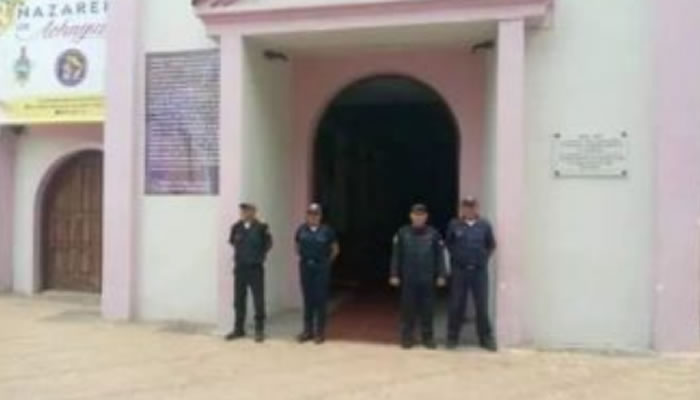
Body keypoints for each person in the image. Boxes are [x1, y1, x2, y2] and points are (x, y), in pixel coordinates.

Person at [389, 204, 447, 349]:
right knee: (408, 309)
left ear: (426, 217)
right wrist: (394, 274)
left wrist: (441, 274)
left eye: (421, 215)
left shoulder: (434, 234)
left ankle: (428, 338)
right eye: (416, 215)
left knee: (428, 309)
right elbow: (396, 255)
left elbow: (440, 256)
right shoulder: (402, 233)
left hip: (427, 277)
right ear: (411, 216)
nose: (418, 217)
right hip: (409, 277)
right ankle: (407, 338)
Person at [445, 197, 497, 351]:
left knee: (481, 306)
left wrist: (483, 258)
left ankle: (486, 339)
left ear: (476, 208)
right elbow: (448, 244)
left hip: (479, 272)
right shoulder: (454, 225)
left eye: (472, 206)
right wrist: (457, 257)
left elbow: (491, 245)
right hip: (460, 272)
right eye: (466, 207)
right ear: (462, 208)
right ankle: (452, 338)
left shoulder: (484, 225)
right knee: (456, 305)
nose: (469, 209)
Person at [225, 203, 273, 343]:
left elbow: (268, 244)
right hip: (240, 268)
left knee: (258, 300)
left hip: (255, 268)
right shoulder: (236, 227)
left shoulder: (261, 227)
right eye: (242, 210)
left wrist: (259, 256)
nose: (244, 213)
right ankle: (238, 329)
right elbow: (233, 242)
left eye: (247, 210)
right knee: (238, 300)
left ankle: (259, 330)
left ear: (253, 212)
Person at [295, 203, 339, 344]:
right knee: (308, 299)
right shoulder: (301, 230)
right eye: (310, 214)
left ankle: (320, 332)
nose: (312, 217)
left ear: (320, 216)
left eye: (315, 214)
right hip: (306, 267)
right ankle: (307, 331)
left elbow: (335, 249)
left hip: (321, 268)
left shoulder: (327, 231)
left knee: (320, 300)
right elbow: (297, 247)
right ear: (307, 215)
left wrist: (326, 263)